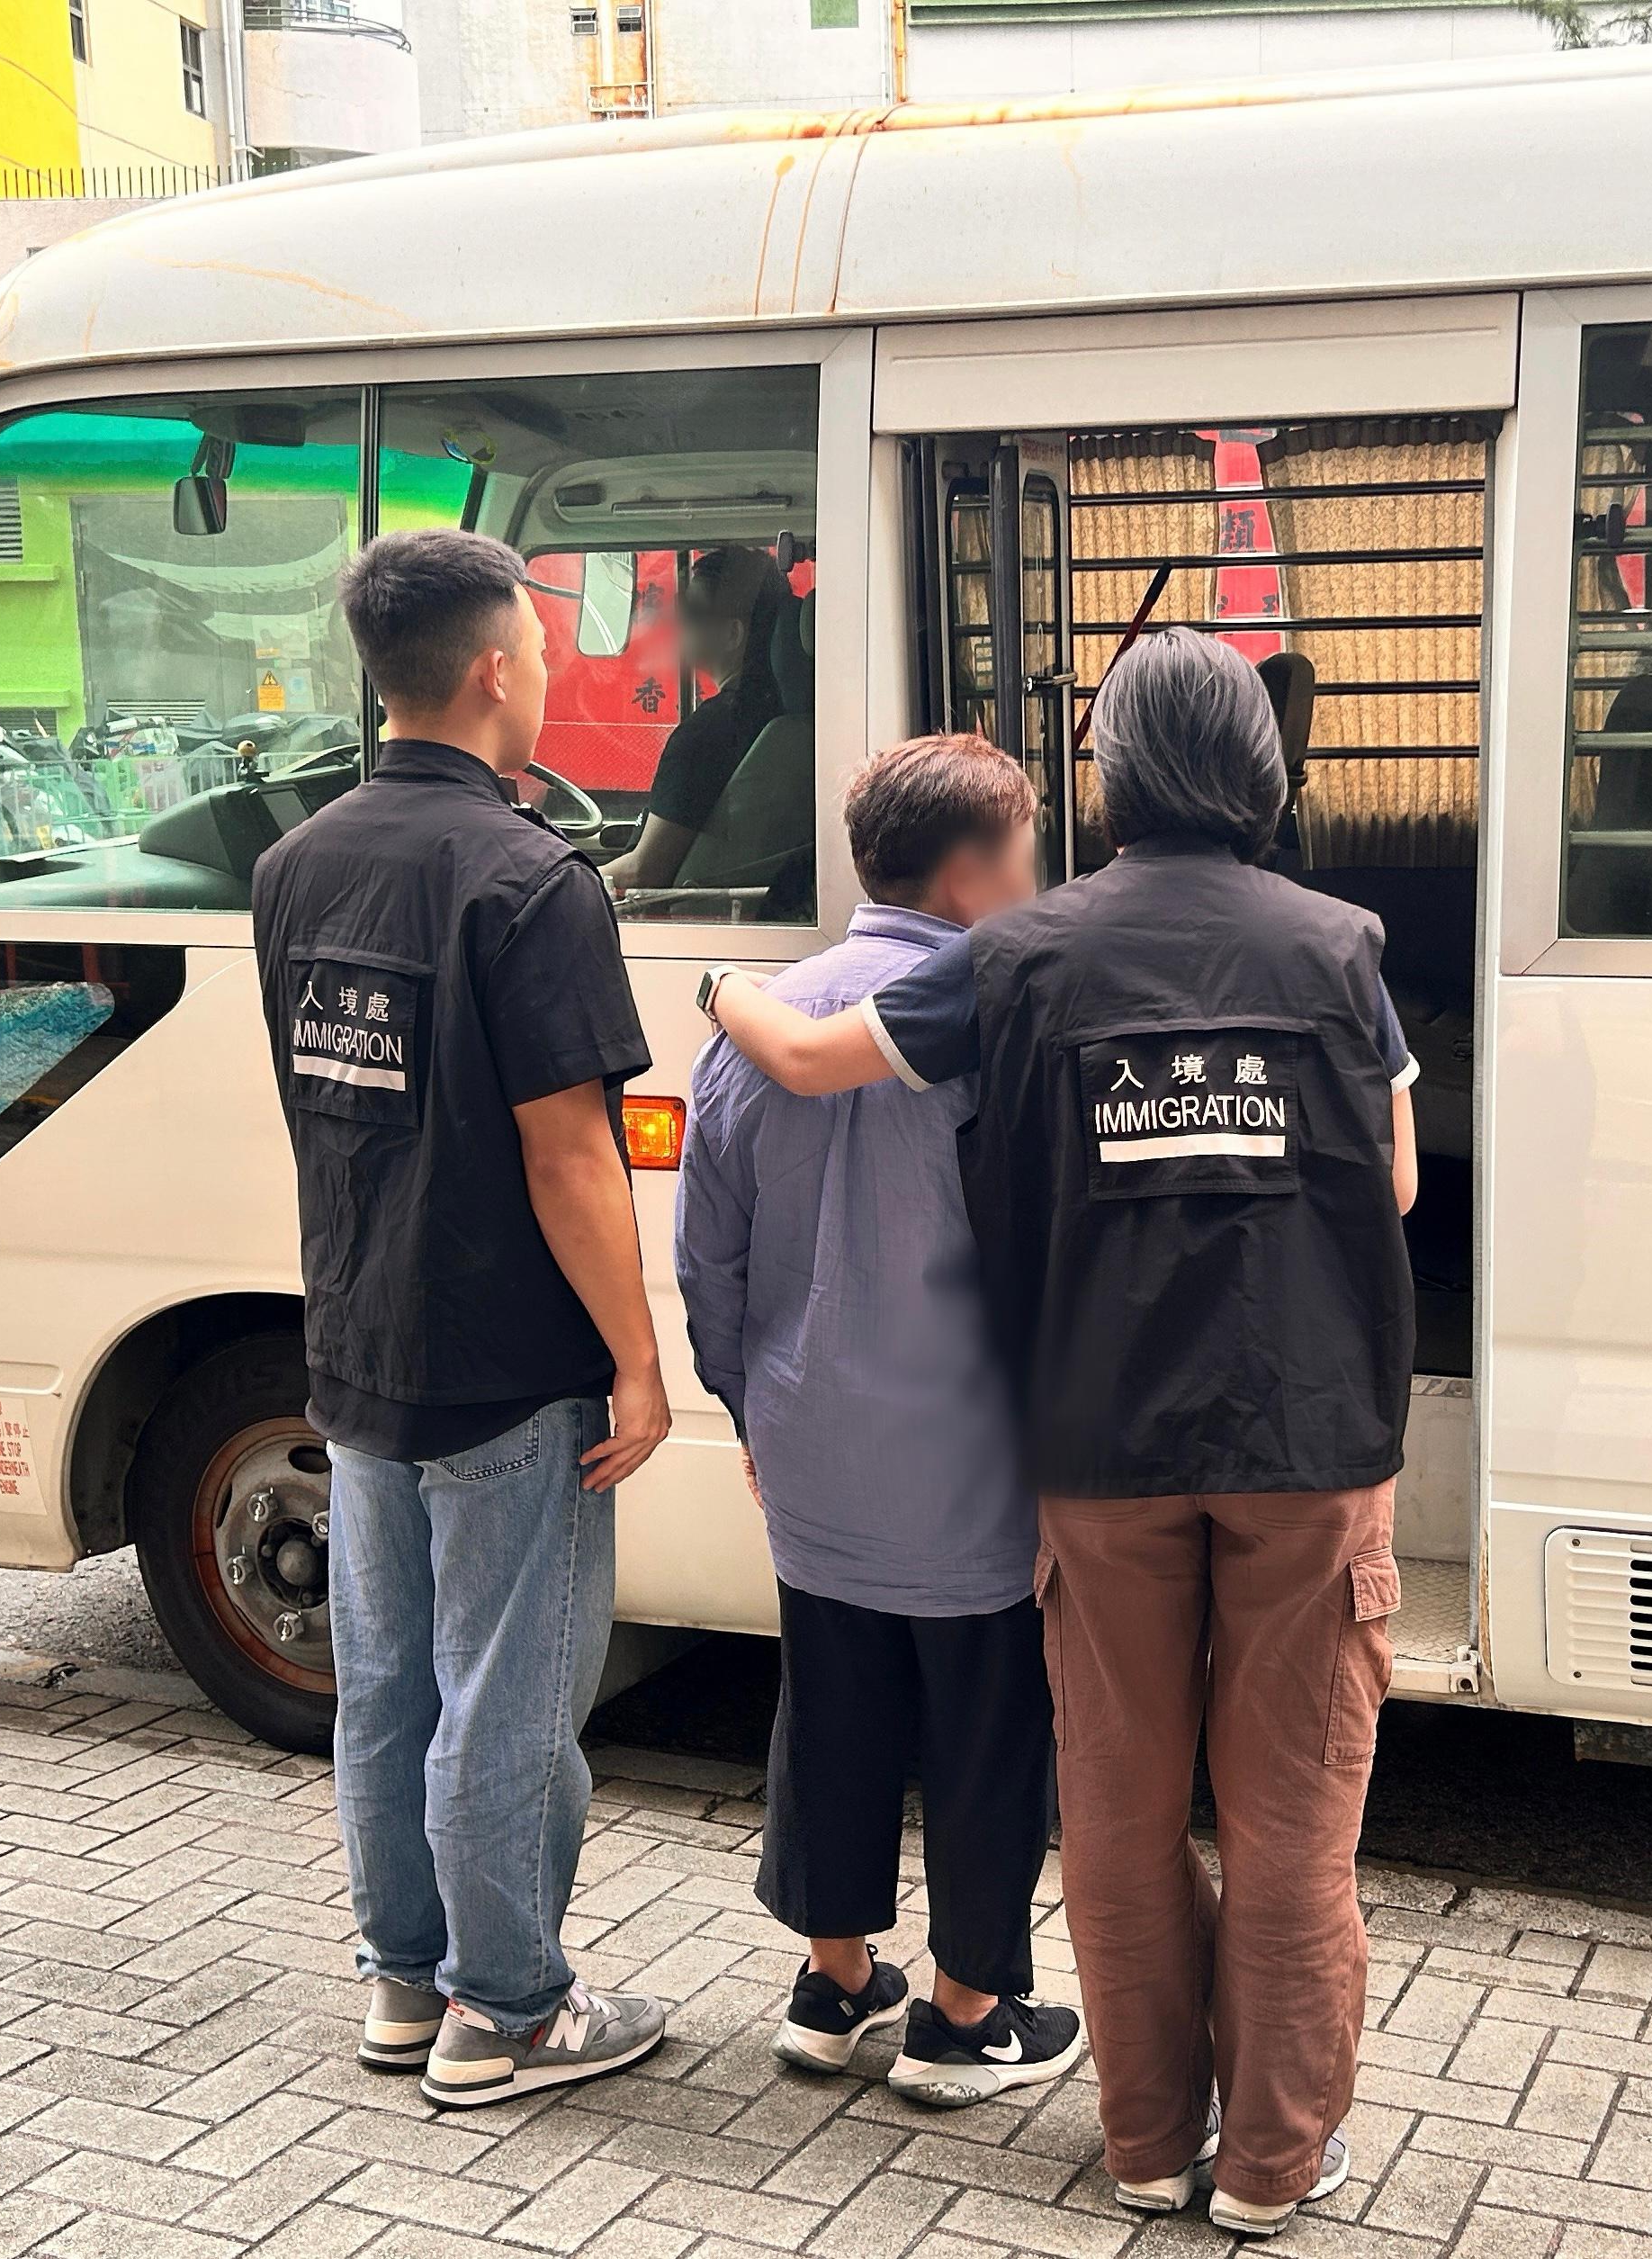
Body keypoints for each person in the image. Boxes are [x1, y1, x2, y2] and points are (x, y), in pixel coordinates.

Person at [696, 628, 1420, 2239]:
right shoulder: (1338, 946)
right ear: (1260, 768)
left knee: (1116, 1805)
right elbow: (1393, 1184)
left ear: (1101, 771)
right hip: (1307, 1440)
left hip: (1095, 1445)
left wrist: (718, 985)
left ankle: (1149, 2146)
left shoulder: (1023, 958)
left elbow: (815, 1056)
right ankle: (1272, 2166)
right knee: (1293, 1816)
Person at [251, 526, 672, 2110]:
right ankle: (509, 2011)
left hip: (360, 1341)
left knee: (390, 1681)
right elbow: (569, 1155)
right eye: (544, 648)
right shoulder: (527, 877)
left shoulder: (295, 866)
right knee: (505, 1695)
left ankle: (402, 1984)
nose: (554, 670)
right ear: (494, 667)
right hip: (508, 1365)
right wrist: (636, 1364)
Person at [677, 733, 1088, 2107]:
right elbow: (1048, 1251)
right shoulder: (994, 1022)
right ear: (972, 875)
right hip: (967, 1453)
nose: (1035, 882)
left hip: (809, 1439)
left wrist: (750, 1402)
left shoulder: (764, 1018)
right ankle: (966, 2012)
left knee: (834, 1701)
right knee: (985, 1721)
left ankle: (836, 1979)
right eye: (1026, 854)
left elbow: (706, 1258)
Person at [600, 545, 795, 895]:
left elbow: (643, 873)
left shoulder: (708, 734)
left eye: (691, 610)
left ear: (731, 635)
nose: (676, 620)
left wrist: (564, 885)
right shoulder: (786, 718)